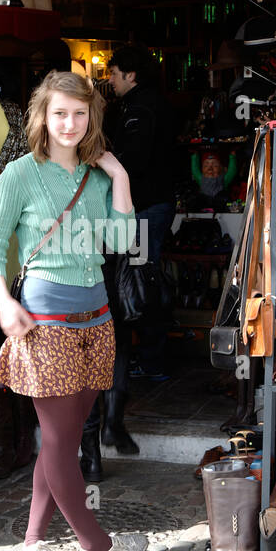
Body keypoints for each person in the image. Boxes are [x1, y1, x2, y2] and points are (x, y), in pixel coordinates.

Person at [0, 70, 149, 551]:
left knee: (64, 439)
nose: (70, 123)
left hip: (96, 318)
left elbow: (119, 243)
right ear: (42, 118)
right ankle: (95, 543)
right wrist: (3, 300)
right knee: (57, 440)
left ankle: (33, 543)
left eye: (79, 113)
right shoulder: (20, 175)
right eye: (59, 113)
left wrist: (119, 177)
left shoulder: (97, 179)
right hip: (44, 319)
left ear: (91, 116)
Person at [79, 45, 176, 479]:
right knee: (117, 325)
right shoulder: (107, 155)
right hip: (107, 246)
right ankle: (108, 430)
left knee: (104, 334)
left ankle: (102, 438)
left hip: (98, 251)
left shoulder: (101, 149)